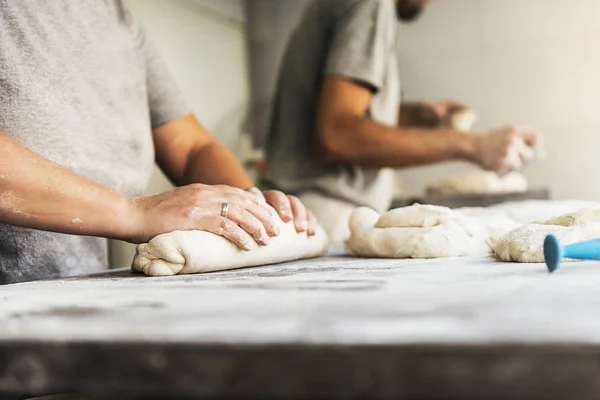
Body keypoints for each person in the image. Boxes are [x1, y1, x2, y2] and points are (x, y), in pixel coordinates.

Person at [0, 1, 317, 285]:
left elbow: (192, 146)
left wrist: (250, 210)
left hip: (69, 289)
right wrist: (133, 213)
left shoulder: (114, 14)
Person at [261, 0, 540, 246]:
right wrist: (472, 145)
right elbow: (338, 136)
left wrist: (410, 116)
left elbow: (341, 114)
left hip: (316, 213)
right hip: (322, 217)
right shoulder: (369, 3)